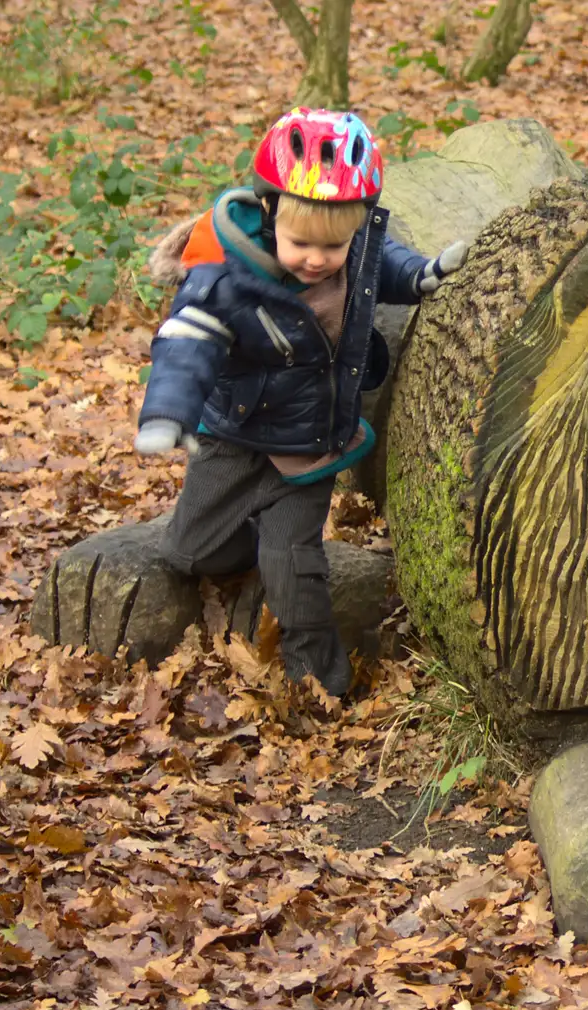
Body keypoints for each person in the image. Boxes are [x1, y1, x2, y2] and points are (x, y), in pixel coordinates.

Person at [134, 108, 467, 697]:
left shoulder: (354, 246)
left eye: (333, 245)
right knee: (192, 551)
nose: (317, 258)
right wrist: (169, 411)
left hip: (311, 441)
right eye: (301, 243)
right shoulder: (226, 276)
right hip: (232, 434)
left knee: (292, 567)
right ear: (268, 215)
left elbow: (377, 263)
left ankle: (319, 679)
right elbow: (189, 340)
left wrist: (420, 275)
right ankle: (243, 522)